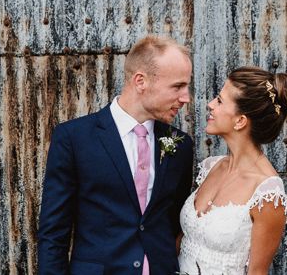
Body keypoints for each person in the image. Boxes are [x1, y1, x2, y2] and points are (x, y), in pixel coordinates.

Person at [38, 35, 194, 275]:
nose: (186, 97)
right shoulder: (74, 138)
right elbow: (53, 233)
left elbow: (173, 222)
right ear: (140, 81)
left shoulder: (181, 145)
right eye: (177, 86)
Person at [178, 66, 287, 274]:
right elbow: (183, 240)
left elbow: (257, 271)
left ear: (240, 121)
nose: (210, 105)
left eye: (219, 101)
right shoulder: (212, 167)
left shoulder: (267, 192)